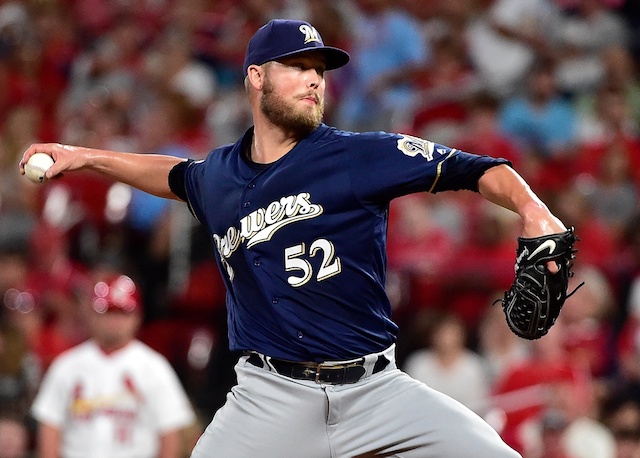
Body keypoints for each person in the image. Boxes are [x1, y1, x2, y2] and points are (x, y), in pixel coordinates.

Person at [19, 18, 573, 458]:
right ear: (256, 76)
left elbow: (478, 168)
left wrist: (532, 208)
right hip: (269, 398)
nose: (314, 79)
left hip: (375, 391)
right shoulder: (217, 177)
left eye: (320, 71)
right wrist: (87, 157)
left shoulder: (359, 156)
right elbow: (170, 175)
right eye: (297, 67)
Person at [30, 273, 196, 458]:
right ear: (91, 315)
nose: (114, 322)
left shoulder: (155, 367)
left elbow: (170, 434)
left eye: (121, 313)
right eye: (107, 312)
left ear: (137, 317)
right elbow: (50, 429)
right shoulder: (67, 366)